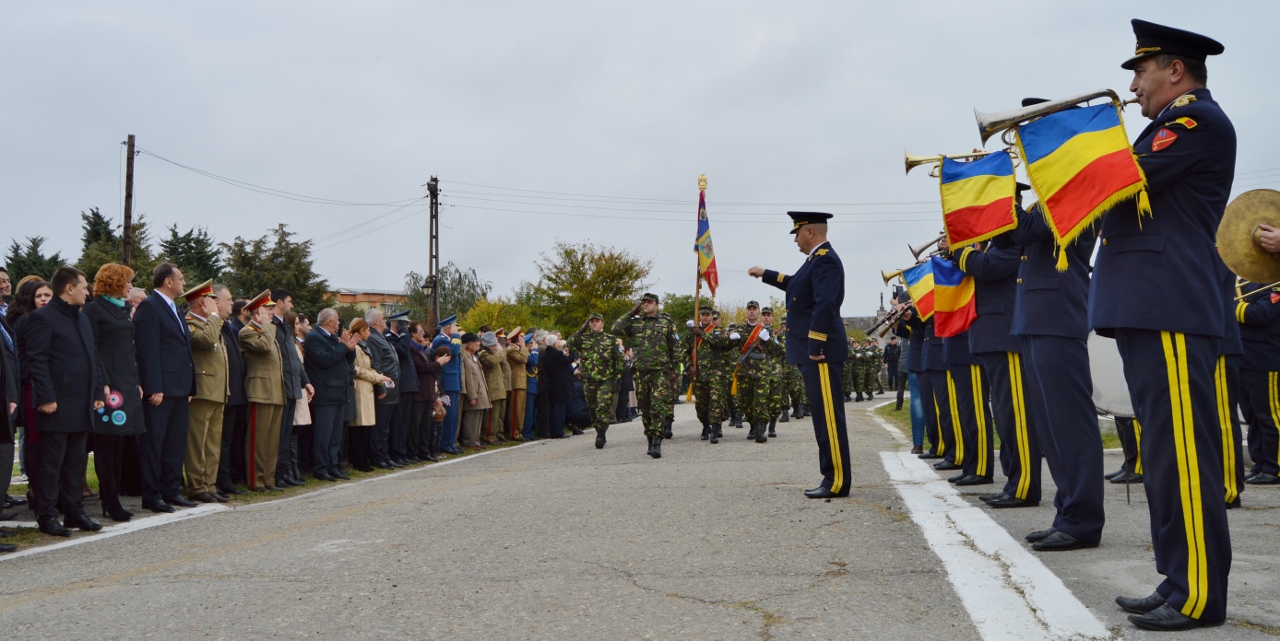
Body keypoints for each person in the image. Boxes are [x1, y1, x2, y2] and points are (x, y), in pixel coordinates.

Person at [1095, 20, 1233, 631]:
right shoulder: (1164, 127)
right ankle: (1177, 578)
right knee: (1163, 451)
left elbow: (1118, 182)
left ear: (1174, 70)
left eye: (1140, 71)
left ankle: (1199, 592)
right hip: (1151, 307)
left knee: (1181, 454)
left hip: (1171, 306)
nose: (1134, 84)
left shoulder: (1195, 120)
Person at [749, 212, 850, 498]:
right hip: (813, 353)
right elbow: (795, 284)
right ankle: (830, 477)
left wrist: (815, 346)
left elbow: (825, 305)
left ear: (809, 232)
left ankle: (837, 481)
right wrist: (765, 273)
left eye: (796, 234)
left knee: (829, 418)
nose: (795, 240)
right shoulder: (815, 260)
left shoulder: (826, 259)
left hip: (821, 354)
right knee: (822, 417)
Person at [948, 236, 1041, 508]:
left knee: (1016, 414)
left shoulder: (1011, 242)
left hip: (1004, 334)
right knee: (1003, 415)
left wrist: (960, 248)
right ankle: (1014, 481)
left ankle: (1024, 486)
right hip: (991, 335)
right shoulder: (993, 246)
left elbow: (987, 267)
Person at [22, 266, 105, 536]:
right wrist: (45, 397)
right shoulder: (43, 318)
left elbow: (92, 357)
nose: (87, 291)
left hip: (81, 402)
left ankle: (74, 512)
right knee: (51, 464)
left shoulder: (81, 318)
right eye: (84, 286)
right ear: (69, 288)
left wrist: (96, 392)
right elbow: (37, 360)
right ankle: (46, 516)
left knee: (75, 462)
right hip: (56, 404)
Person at [82, 265, 147, 521]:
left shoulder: (122, 308)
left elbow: (129, 348)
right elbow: (92, 351)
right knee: (106, 444)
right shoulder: (94, 310)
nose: (130, 286)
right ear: (115, 282)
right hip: (109, 387)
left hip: (126, 383)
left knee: (120, 442)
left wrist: (137, 381)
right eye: (128, 282)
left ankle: (114, 497)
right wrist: (103, 382)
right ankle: (108, 499)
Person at [132, 263, 197, 513]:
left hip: (179, 387)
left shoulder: (175, 309)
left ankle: (171, 491)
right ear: (167, 282)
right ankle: (152, 494)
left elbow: (182, 350)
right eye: (180, 279)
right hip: (162, 389)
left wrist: (190, 386)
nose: (183, 283)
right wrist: (154, 386)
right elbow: (148, 349)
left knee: (175, 442)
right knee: (154, 443)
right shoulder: (150, 306)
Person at [611, 293, 678, 458]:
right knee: (645, 407)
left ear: (657, 304)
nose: (646, 304)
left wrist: (675, 370)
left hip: (660, 372)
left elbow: (675, 347)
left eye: (649, 302)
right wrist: (632, 312)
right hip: (641, 372)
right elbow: (615, 329)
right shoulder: (635, 323)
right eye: (644, 302)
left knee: (658, 407)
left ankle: (657, 440)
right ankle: (649, 436)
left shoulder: (666, 323)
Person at [182, 280, 227, 503]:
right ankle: (197, 485)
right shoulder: (190, 322)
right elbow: (206, 341)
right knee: (197, 442)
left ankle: (210, 483)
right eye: (214, 301)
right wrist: (213, 317)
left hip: (217, 390)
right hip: (202, 390)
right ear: (203, 302)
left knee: (212, 442)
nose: (218, 305)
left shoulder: (212, 322)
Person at [238, 291, 285, 491]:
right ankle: (255, 480)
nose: (271, 313)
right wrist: (266, 326)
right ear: (257, 313)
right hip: (260, 391)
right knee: (258, 440)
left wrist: (267, 326)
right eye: (267, 309)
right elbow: (265, 348)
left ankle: (269, 478)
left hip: (275, 391)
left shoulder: (267, 330)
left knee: (272, 441)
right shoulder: (247, 332)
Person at [304, 308, 356, 482]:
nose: (339, 324)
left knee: (336, 435)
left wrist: (350, 348)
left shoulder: (333, 337)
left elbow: (344, 360)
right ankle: (321, 467)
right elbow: (325, 360)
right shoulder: (314, 337)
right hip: (326, 393)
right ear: (329, 322)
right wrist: (342, 346)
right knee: (323, 435)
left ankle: (334, 465)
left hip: (339, 392)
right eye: (337, 321)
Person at [271, 289, 312, 487]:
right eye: (289, 301)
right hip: (280, 386)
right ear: (279, 302)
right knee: (279, 435)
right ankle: (278, 473)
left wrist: (306, 382)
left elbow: (294, 359)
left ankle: (285, 472)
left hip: (292, 386)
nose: (292, 305)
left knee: (287, 435)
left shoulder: (285, 328)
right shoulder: (271, 326)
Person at [728, 300, 781, 443]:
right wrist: (730, 336)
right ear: (746, 311)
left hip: (762, 372)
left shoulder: (766, 331)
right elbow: (726, 344)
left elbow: (778, 351)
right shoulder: (739, 329)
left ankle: (760, 430)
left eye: (754, 309)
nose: (752, 311)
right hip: (745, 372)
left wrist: (768, 339)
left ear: (758, 312)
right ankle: (752, 425)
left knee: (761, 402)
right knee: (747, 403)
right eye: (749, 309)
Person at [213, 285, 247, 496]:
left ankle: (225, 478)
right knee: (217, 441)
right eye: (228, 299)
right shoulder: (215, 324)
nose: (232, 303)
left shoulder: (229, 326)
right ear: (216, 301)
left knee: (228, 440)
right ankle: (214, 479)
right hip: (220, 391)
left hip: (233, 391)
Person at [570, 314, 622, 448]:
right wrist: (582, 329)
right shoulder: (584, 338)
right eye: (591, 322)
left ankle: (602, 433)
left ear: (602, 323)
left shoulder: (610, 340)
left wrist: (618, 378)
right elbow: (570, 343)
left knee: (602, 406)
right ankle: (598, 429)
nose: (594, 324)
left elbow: (619, 360)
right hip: (588, 380)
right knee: (592, 407)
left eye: (596, 321)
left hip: (606, 379)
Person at [363, 309, 401, 467]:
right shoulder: (372, 337)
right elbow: (377, 365)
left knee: (386, 426)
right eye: (383, 318)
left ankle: (384, 454)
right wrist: (381, 388)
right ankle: (378, 456)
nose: (385, 321)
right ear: (376, 322)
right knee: (380, 426)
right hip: (384, 389)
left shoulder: (380, 337)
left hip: (392, 389)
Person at [347, 318, 385, 471]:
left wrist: (380, 377)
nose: (369, 333)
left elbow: (369, 367)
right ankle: (359, 461)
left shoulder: (364, 347)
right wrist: (377, 378)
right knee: (359, 428)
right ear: (360, 331)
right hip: (360, 390)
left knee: (366, 428)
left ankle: (364, 459)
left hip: (367, 388)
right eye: (367, 330)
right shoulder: (355, 348)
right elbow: (360, 370)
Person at [387, 311, 420, 464]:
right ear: (397, 325)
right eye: (404, 325)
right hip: (399, 386)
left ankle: (403, 451)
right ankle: (396, 452)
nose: (407, 328)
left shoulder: (401, 339)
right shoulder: (391, 339)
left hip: (407, 385)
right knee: (398, 422)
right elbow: (401, 351)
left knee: (406, 421)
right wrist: (404, 335)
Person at [431, 316, 464, 455]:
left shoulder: (449, 340)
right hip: (447, 383)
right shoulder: (440, 340)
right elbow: (454, 352)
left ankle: (450, 442)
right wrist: (456, 335)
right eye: (454, 327)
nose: (456, 330)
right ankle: (445, 444)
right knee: (448, 415)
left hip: (453, 382)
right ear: (448, 328)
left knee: (453, 416)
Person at [458, 332, 490, 449]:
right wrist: (472, 395)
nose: (478, 344)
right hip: (475, 392)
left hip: (480, 391)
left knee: (478, 417)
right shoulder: (465, 356)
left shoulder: (473, 355)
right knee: (471, 418)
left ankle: (475, 440)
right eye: (475, 342)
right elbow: (469, 378)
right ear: (468, 344)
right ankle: (469, 441)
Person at [478, 332, 508, 445]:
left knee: (497, 415)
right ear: (490, 345)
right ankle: (488, 436)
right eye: (494, 345)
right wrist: (500, 351)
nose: (496, 347)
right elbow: (492, 361)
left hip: (498, 388)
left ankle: (494, 435)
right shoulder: (483, 353)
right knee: (491, 416)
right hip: (492, 388)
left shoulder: (493, 353)